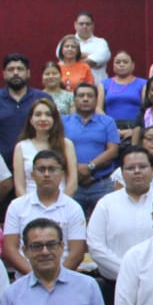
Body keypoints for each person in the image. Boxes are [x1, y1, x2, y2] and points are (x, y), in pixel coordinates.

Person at [2, 149, 88, 275]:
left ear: (62, 174)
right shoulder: (17, 206)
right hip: (25, 280)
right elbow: (10, 249)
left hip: (63, 281)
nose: (46, 174)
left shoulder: (73, 208)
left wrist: (55, 279)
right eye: (41, 170)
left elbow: (77, 252)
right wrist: (35, 278)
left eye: (52, 169)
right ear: (32, 175)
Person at [88, 145, 153, 291]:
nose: (137, 171)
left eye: (143, 166)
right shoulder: (106, 204)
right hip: (115, 284)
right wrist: (129, 273)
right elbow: (95, 246)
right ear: (121, 173)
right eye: (131, 168)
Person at [0, 53, 51, 169]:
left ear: (28, 73)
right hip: (0, 166)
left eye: (20, 69)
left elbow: (53, 129)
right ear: (4, 74)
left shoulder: (42, 98)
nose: (16, 73)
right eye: (11, 69)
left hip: (35, 165)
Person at [63, 83, 120, 218]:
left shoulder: (107, 121)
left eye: (90, 96)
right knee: (70, 223)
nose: (85, 99)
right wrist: (76, 169)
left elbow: (113, 150)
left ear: (96, 99)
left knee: (108, 222)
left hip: (101, 182)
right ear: (74, 99)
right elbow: (58, 149)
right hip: (72, 182)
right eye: (81, 96)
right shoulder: (63, 121)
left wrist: (90, 167)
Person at [12, 96, 79, 197]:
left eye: (48, 115)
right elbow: (19, 187)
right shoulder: (21, 147)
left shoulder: (67, 145)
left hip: (62, 205)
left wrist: (60, 205)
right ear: (31, 119)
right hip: (30, 206)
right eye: (38, 115)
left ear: (55, 119)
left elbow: (72, 183)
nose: (43, 119)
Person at [104, 50, 148, 143]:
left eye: (125, 62)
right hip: (110, 127)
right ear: (113, 65)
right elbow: (98, 109)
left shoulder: (143, 84)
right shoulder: (104, 84)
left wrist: (135, 130)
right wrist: (111, 128)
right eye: (118, 62)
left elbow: (147, 110)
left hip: (135, 127)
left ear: (133, 65)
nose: (121, 64)